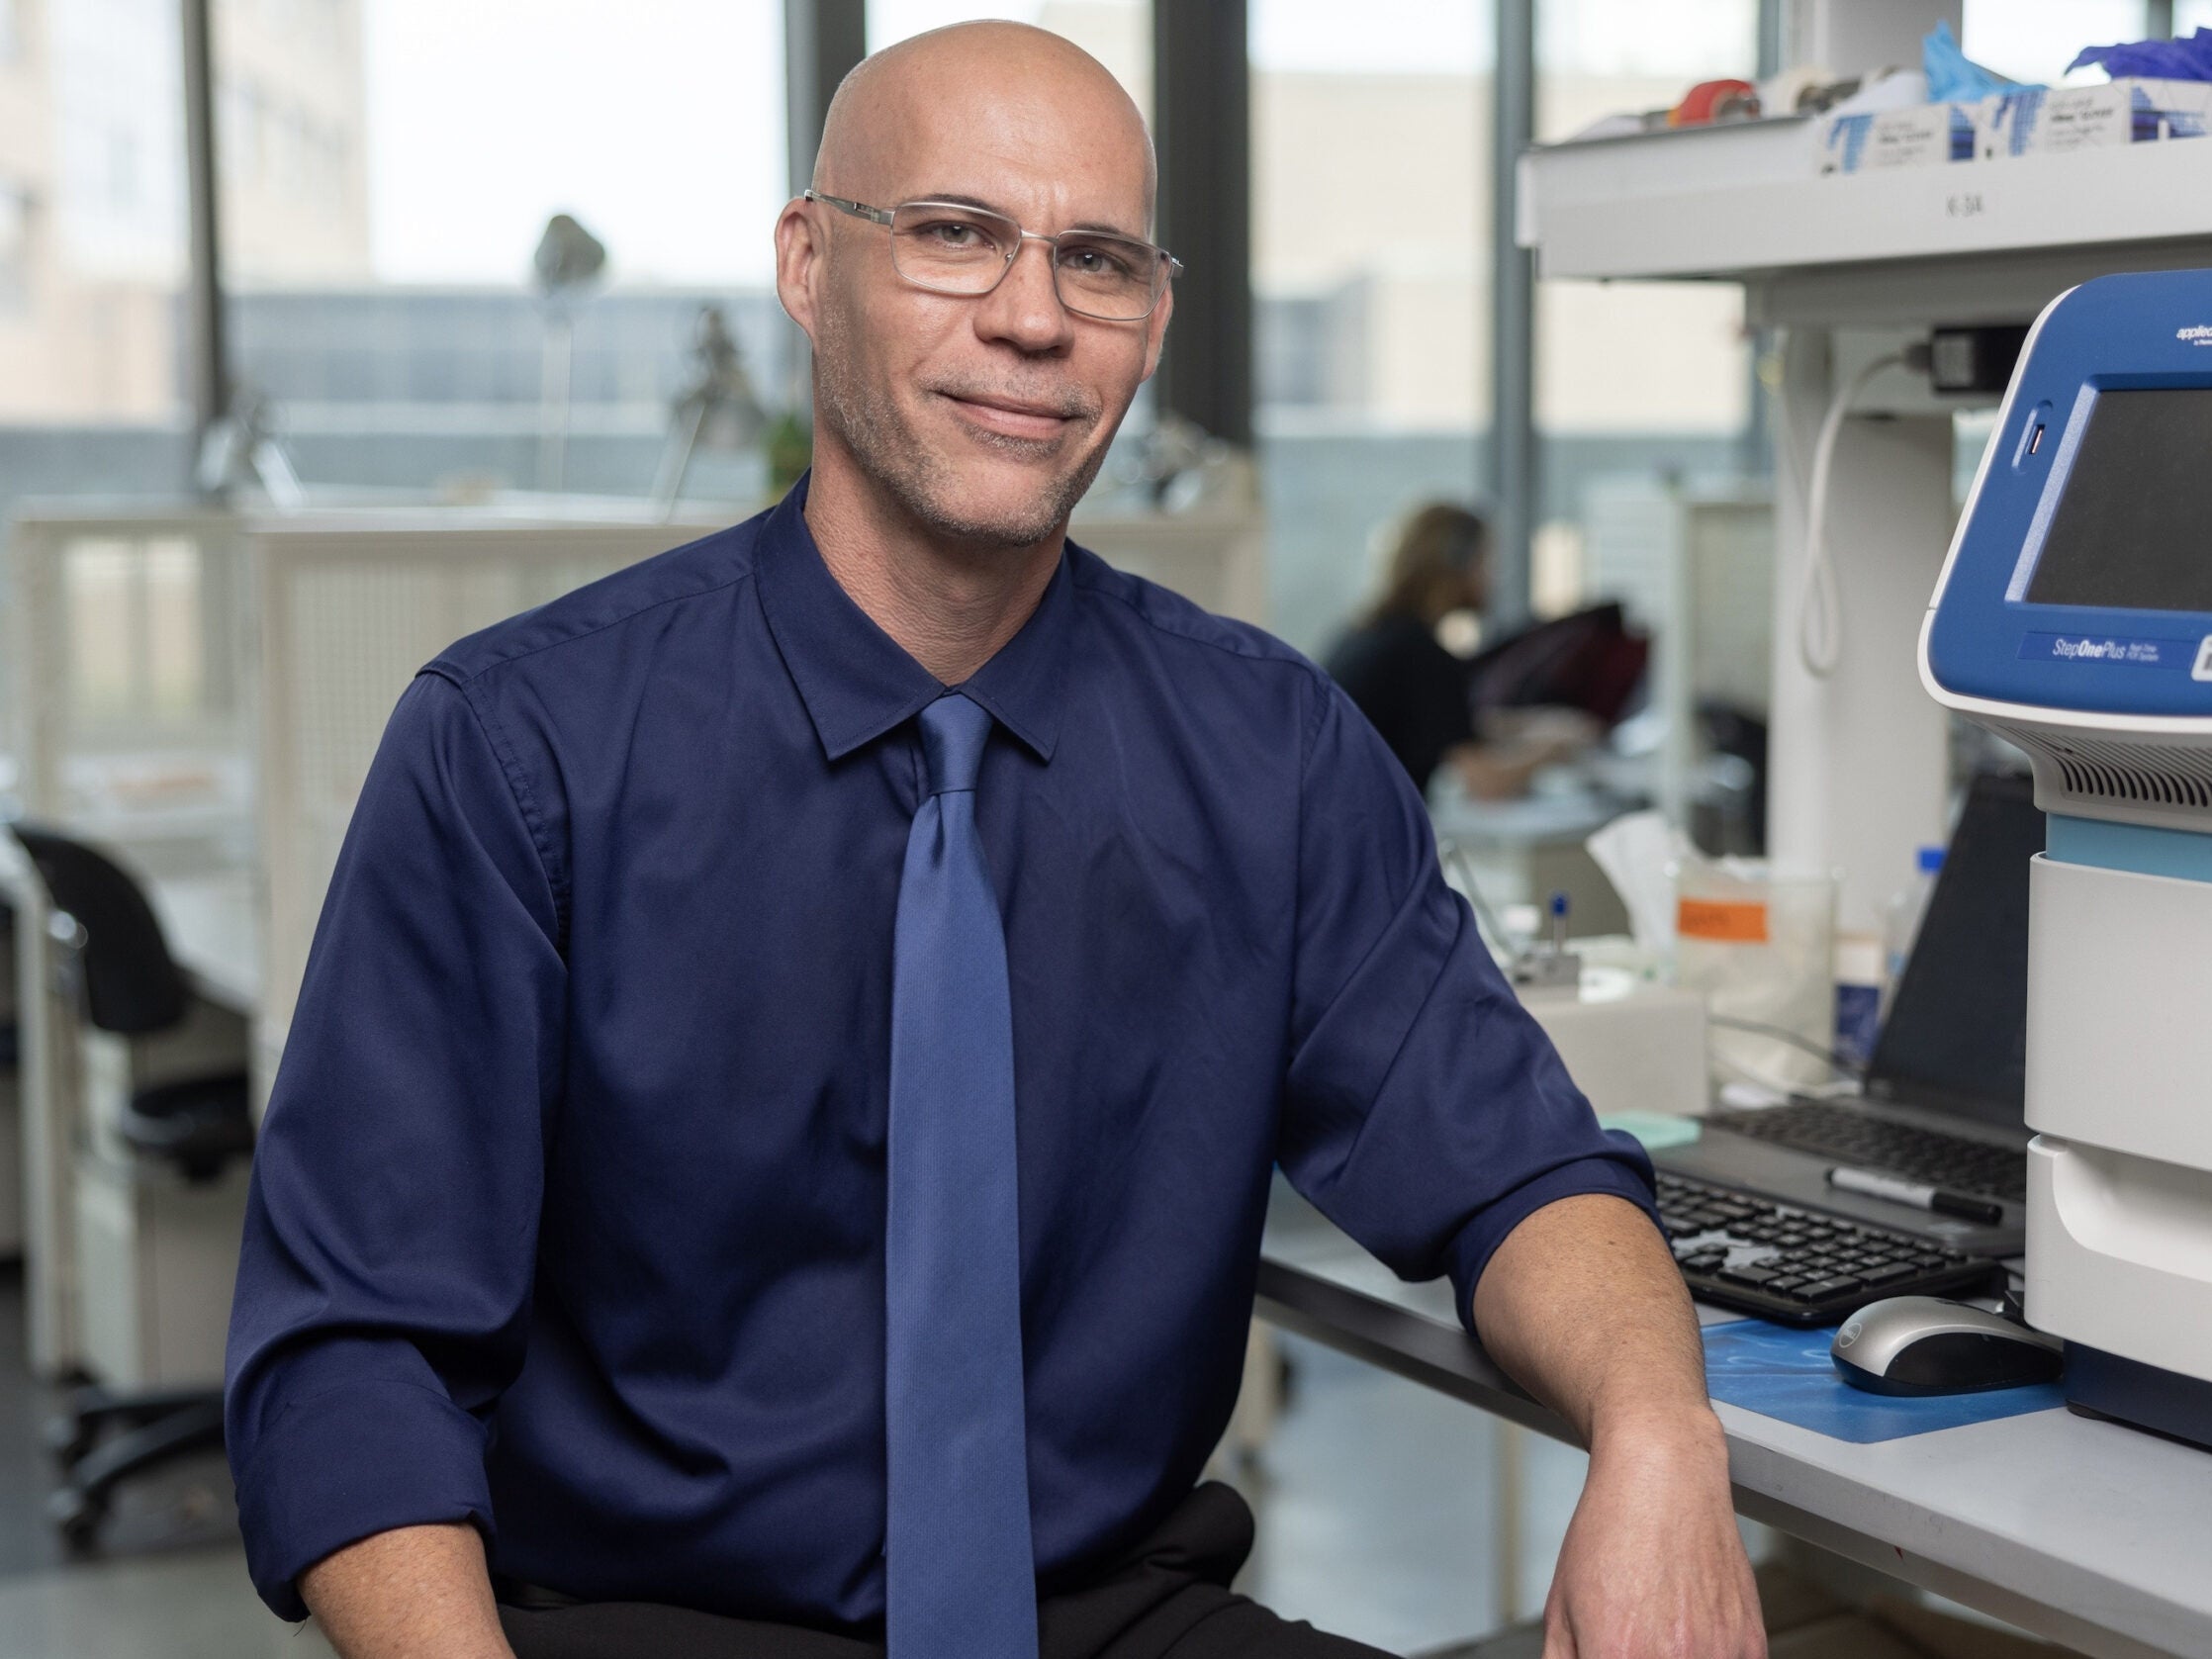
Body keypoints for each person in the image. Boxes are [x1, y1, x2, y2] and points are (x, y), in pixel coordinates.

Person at [224, 23, 1764, 1659]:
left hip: (1106, 1619)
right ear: (807, 265)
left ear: (1151, 318)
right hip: (655, 1622)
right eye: (954, 234)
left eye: (1095, 260)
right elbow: (353, 1354)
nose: (1032, 318)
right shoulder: (521, 749)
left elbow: (1518, 1169)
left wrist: (1660, 1434)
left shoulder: (1273, 756)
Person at [1324, 504, 1593, 799]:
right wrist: (1550, 751)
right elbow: (1486, 784)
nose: (1493, 578)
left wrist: (1529, 726)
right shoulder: (1420, 654)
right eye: (1486, 562)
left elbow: (1445, 724)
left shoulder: (1371, 635)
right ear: (1456, 566)